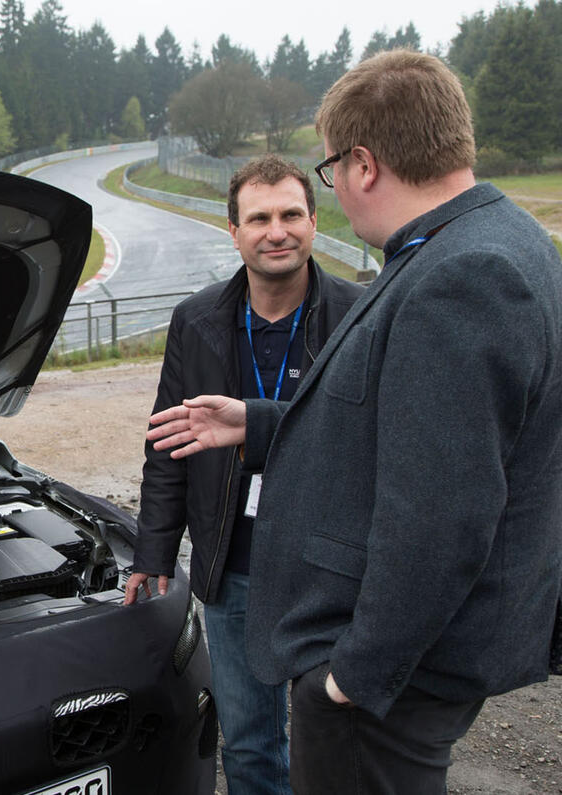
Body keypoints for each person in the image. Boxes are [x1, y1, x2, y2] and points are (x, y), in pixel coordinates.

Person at [147, 50, 562, 793]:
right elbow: (395, 425)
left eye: (330, 170)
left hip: (394, 676)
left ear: (363, 164)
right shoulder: (500, 238)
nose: (332, 187)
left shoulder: (460, 276)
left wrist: (351, 675)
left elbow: (443, 511)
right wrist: (261, 424)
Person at [123, 154, 363, 794]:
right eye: (259, 219)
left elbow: (372, 440)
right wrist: (155, 548)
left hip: (329, 572)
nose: (276, 232)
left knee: (338, 743)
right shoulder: (196, 320)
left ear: (314, 222)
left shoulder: (361, 314)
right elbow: (167, 444)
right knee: (252, 747)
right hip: (234, 567)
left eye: (291, 215)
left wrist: (256, 423)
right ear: (233, 232)